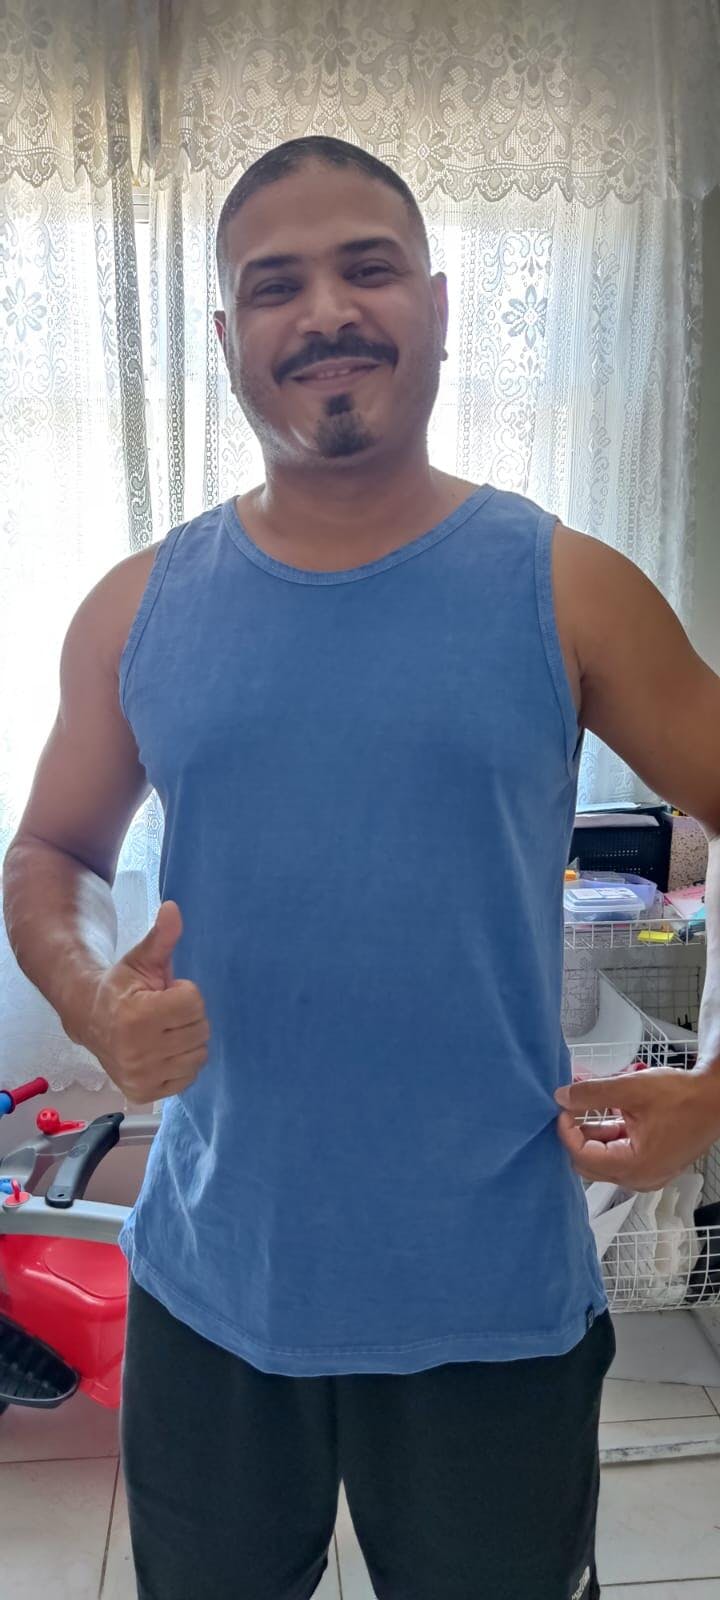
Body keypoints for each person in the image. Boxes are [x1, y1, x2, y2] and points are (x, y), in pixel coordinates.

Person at [4, 135, 720, 1600]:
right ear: (228, 339)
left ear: (439, 308)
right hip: (215, 1290)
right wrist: (89, 999)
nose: (325, 310)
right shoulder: (137, 609)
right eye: (276, 285)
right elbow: (53, 853)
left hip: (492, 1302)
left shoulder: (568, 587)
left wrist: (717, 1095)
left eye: (367, 268)